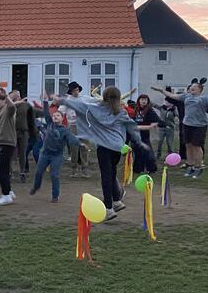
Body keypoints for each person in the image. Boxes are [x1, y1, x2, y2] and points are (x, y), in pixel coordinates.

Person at [58, 87, 147, 220]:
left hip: (104, 148)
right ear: (118, 98)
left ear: (104, 97)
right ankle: (116, 201)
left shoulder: (95, 109)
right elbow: (132, 127)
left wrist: (62, 100)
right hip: (117, 148)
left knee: (106, 176)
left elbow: (80, 105)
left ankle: (109, 208)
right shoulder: (122, 112)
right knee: (111, 173)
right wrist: (139, 142)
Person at [151, 82, 208, 179]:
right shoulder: (186, 97)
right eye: (191, 87)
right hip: (187, 125)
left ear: (199, 89)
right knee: (188, 146)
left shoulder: (204, 98)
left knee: (197, 147)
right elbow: (172, 95)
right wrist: (161, 90)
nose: (191, 88)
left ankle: (198, 167)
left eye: (194, 87)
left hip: (199, 126)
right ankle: (190, 166)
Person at [29, 97, 80, 202]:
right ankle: (36, 187)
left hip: (56, 155)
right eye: (54, 115)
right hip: (45, 153)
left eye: (58, 115)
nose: (55, 117)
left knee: (54, 175)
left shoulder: (65, 130)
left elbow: (71, 139)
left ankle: (55, 196)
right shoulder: (49, 124)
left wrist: (80, 143)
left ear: (62, 118)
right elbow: (46, 112)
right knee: (38, 172)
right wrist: (45, 101)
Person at [0, 90, 19, 205]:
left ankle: (6, 195)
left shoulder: (8, 109)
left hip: (6, 143)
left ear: (4, 101)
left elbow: (12, 106)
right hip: (2, 142)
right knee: (4, 169)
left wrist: (7, 96)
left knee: (1, 169)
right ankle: (9, 191)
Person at [58, 82, 90, 178]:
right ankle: (74, 169)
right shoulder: (67, 100)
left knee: (85, 148)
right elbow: (60, 111)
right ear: (71, 91)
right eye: (74, 90)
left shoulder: (83, 99)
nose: (76, 92)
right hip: (72, 126)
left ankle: (84, 169)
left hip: (83, 126)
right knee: (74, 148)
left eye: (77, 90)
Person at [11, 90, 36, 183]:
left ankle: (22, 172)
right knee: (11, 153)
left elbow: (32, 118)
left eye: (18, 94)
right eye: (14, 95)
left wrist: (33, 132)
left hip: (23, 132)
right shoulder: (9, 105)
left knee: (22, 153)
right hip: (11, 132)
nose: (17, 96)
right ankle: (10, 172)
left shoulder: (26, 105)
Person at [132, 94, 160, 175]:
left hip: (144, 135)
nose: (143, 101)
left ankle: (152, 169)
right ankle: (138, 169)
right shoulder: (136, 109)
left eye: (145, 100)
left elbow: (156, 119)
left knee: (148, 153)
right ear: (139, 100)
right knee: (137, 153)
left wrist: (161, 124)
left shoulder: (149, 110)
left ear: (147, 101)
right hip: (135, 135)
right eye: (142, 99)